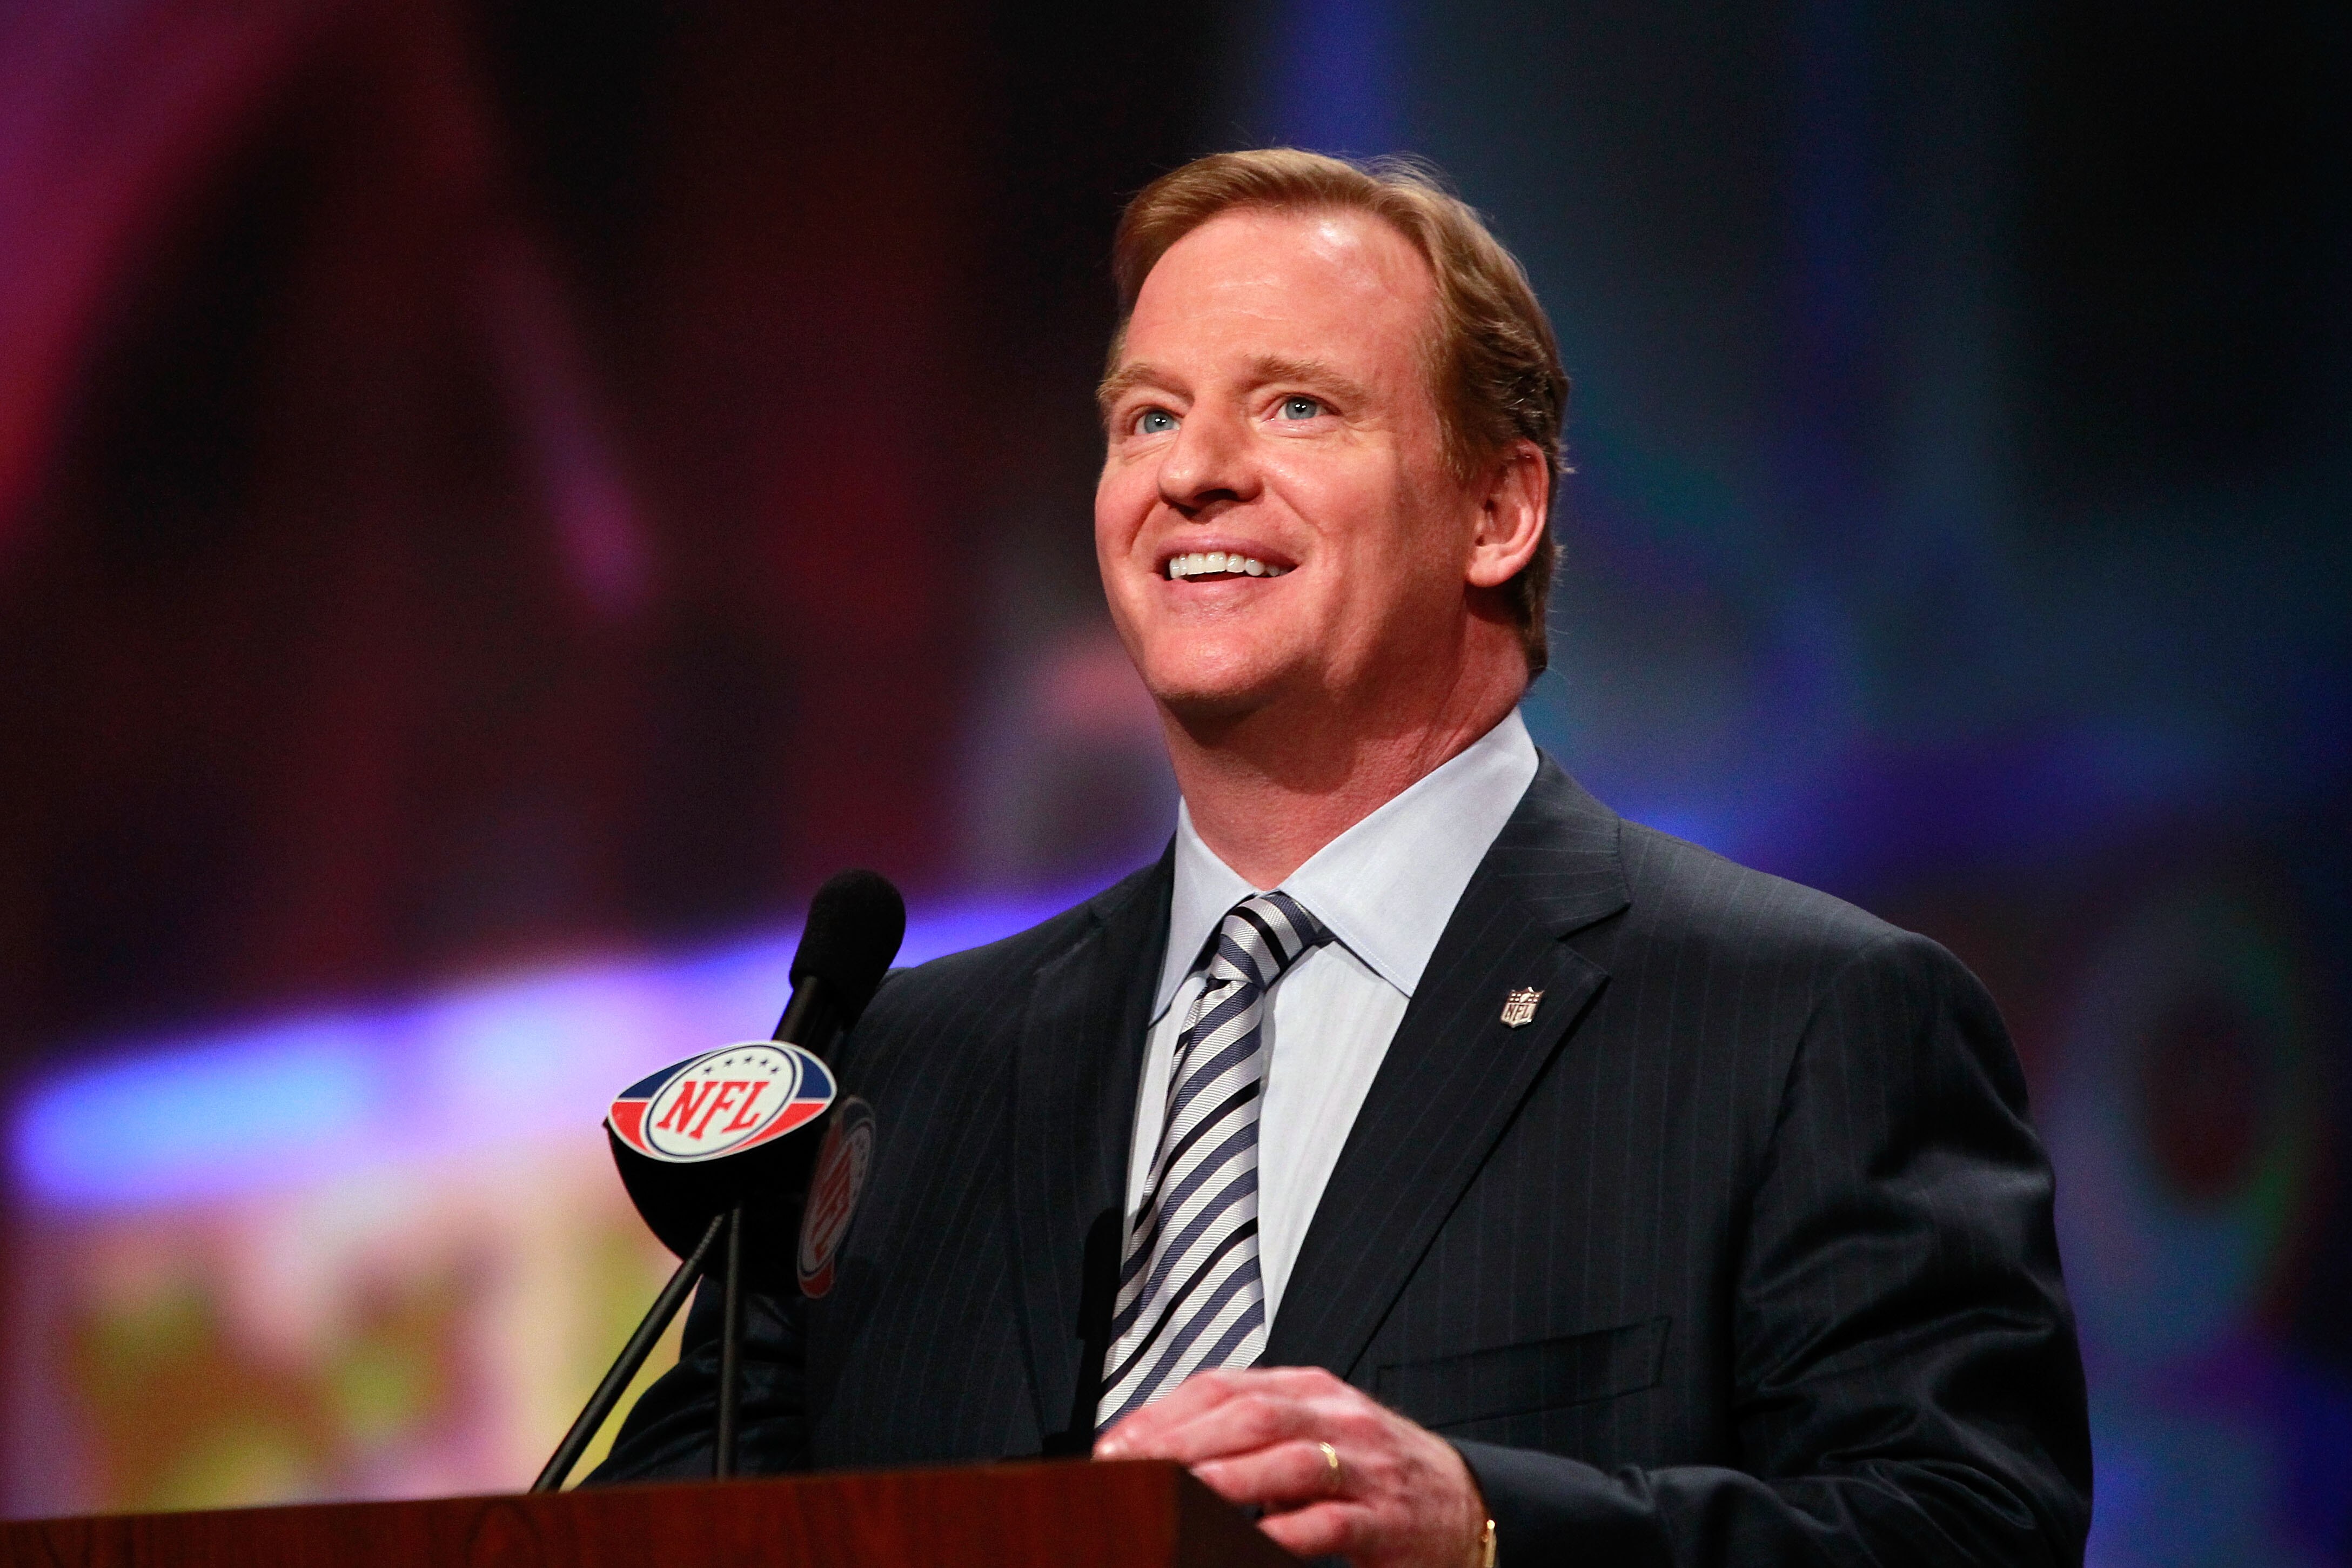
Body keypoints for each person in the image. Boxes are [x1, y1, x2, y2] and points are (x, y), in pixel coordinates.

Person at [593, 149, 2092, 1568]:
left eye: (1296, 407)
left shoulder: (1803, 1021)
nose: (1193, 475)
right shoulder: (911, 1066)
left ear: (1499, 512)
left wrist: (1481, 1525)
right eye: (1147, 417)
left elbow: (1962, 1530)